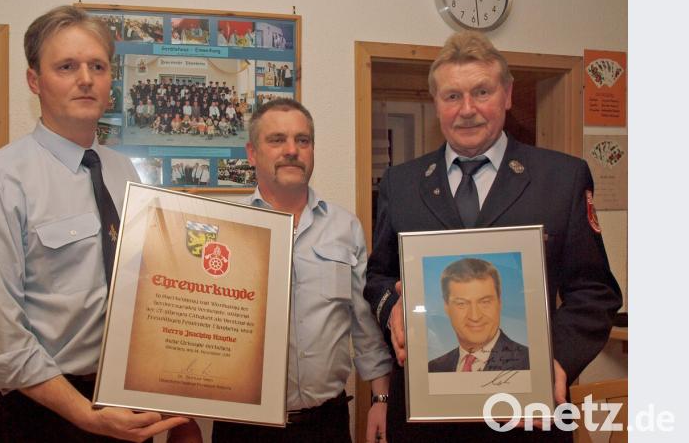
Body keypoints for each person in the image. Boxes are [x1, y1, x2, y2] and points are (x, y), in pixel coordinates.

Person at [0, 6, 199, 442]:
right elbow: (0, 341)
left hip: (126, 402)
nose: (85, 78)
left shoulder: (125, 172)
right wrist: (86, 415)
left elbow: (148, 291)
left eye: (98, 66)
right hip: (45, 412)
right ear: (35, 81)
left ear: (110, 81)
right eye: (66, 66)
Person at [364, 31, 622, 442]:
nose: (467, 110)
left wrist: (558, 362)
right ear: (436, 104)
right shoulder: (401, 183)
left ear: (507, 95)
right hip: (426, 417)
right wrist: (392, 304)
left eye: (481, 92)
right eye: (452, 96)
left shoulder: (562, 178)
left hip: (527, 415)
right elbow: (377, 276)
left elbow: (596, 292)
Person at [211, 98, 391, 443]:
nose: (292, 150)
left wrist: (381, 399)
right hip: (244, 426)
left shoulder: (345, 227)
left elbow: (364, 326)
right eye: (277, 140)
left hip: (326, 424)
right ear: (252, 153)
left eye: (302, 140)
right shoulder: (224, 227)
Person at [427, 258, 529, 373]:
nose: (475, 316)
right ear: (446, 306)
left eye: (485, 302)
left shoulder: (529, 362)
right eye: (462, 303)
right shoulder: (434, 368)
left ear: (499, 302)